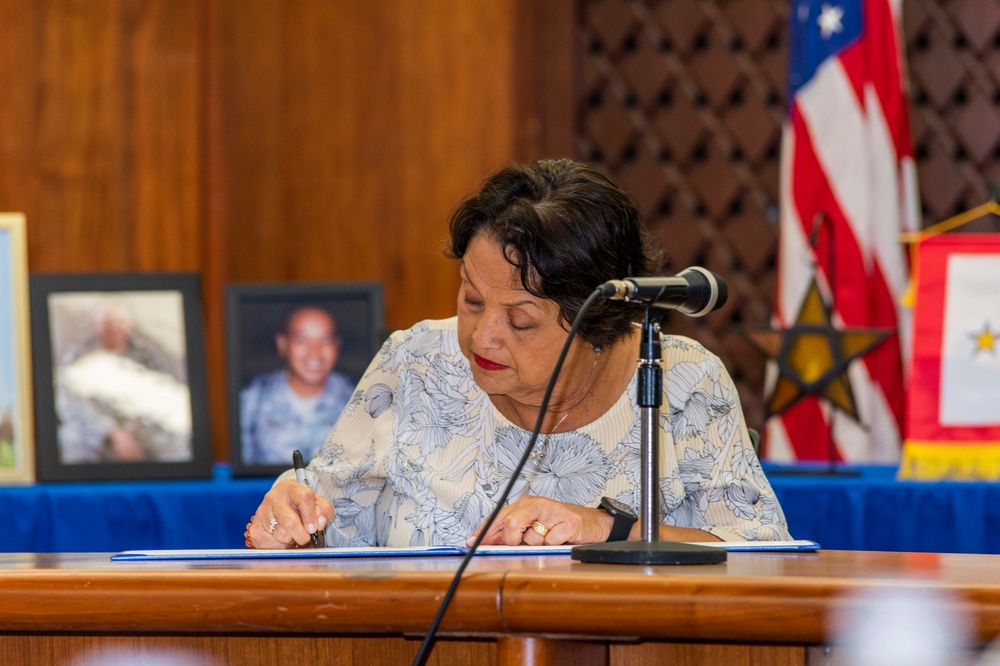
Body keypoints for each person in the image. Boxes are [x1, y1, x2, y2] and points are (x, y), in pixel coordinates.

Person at [246, 158, 790, 549]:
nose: (482, 337)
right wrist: (290, 523)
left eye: (520, 321)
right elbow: (325, 532)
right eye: (471, 298)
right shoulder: (415, 362)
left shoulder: (682, 381)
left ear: (595, 319)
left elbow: (763, 559)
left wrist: (610, 530)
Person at [56, 301, 190, 463]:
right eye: (107, 323)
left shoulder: (146, 354)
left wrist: (135, 423)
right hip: (94, 429)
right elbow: (70, 402)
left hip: (140, 424)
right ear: (95, 325)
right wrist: (112, 430)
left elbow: (161, 391)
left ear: (129, 325)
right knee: (71, 437)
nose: (114, 328)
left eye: (119, 322)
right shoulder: (79, 355)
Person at [240, 306, 355, 464]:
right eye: (302, 340)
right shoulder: (252, 400)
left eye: (325, 340)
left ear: (337, 345)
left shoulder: (357, 400)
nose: (314, 353)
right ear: (283, 344)